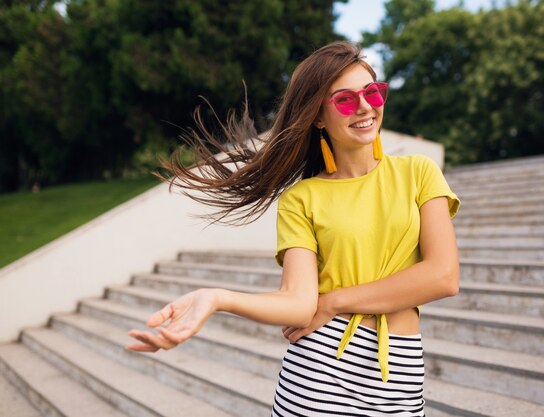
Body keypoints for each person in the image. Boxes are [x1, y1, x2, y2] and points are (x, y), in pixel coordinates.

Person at [127, 41, 460, 417]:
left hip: (399, 375)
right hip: (318, 379)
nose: (365, 106)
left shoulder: (418, 172)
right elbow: (299, 302)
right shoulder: (302, 199)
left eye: (372, 92)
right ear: (318, 117)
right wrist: (218, 298)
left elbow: (443, 276)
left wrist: (334, 300)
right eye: (345, 100)